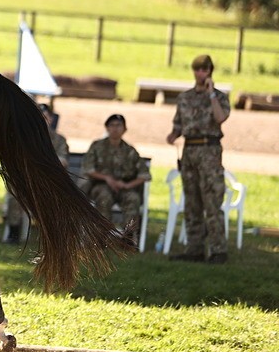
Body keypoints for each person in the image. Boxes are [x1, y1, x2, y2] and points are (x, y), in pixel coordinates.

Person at [166, 54, 231, 264]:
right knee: (192, 201)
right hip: (189, 151)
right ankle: (194, 249)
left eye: (204, 70)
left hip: (209, 151)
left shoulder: (219, 97)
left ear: (210, 71)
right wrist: (173, 135)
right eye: (197, 69)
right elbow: (178, 124)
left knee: (212, 201)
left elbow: (220, 118)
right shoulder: (185, 98)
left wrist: (211, 94)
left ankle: (218, 250)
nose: (200, 73)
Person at [4, 103, 69, 243]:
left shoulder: (59, 140)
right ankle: (14, 232)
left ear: (51, 119)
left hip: (48, 181)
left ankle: (51, 235)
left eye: (45, 117)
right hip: (25, 179)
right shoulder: (23, 138)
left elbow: (63, 160)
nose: (43, 121)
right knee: (14, 194)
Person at [83, 114, 150, 230]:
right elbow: (88, 169)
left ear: (125, 129)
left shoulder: (130, 151)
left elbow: (144, 175)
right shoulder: (97, 147)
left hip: (124, 187)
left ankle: (128, 238)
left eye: (118, 125)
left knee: (133, 198)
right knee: (104, 197)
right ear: (107, 128)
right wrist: (107, 178)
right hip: (101, 186)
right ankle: (103, 236)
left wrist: (128, 185)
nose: (115, 128)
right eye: (112, 125)